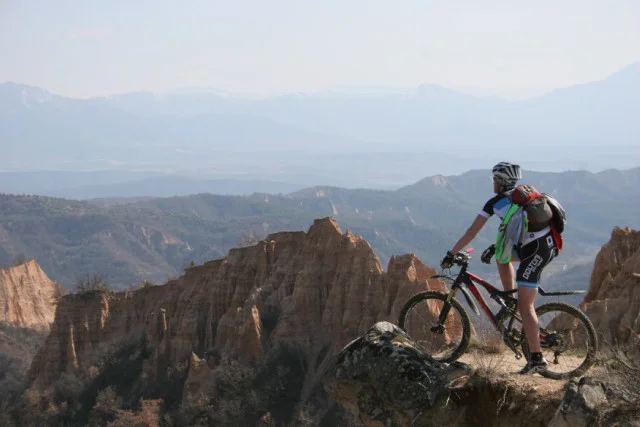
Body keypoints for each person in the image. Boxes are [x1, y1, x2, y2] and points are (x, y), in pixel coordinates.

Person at [440, 161, 558, 375]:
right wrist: (496, 248)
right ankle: (508, 299)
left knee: (526, 305)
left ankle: (537, 359)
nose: (493, 182)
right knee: (502, 259)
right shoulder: (523, 196)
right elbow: (517, 229)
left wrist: (452, 253)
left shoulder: (495, 203)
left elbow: (472, 231)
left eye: (495, 179)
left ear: (501, 181)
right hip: (546, 244)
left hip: (536, 251)